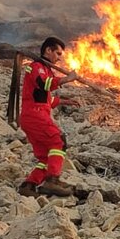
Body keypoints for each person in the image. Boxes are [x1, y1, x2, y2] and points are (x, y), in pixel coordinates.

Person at [17, 37, 81, 197]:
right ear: (48, 50)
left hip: (34, 114)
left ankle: (29, 185)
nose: (59, 58)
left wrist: (64, 101)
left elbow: (44, 99)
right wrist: (66, 79)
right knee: (58, 142)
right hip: (34, 115)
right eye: (57, 53)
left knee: (46, 156)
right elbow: (43, 84)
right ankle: (52, 180)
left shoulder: (46, 69)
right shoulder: (37, 67)